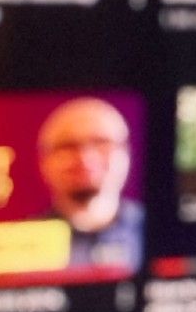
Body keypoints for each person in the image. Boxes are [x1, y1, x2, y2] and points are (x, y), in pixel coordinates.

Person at [37, 97, 142, 272]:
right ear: (44, 161)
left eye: (101, 142)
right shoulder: (21, 243)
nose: (85, 158)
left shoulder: (159, 233)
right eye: (68, 146)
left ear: (126, 153)